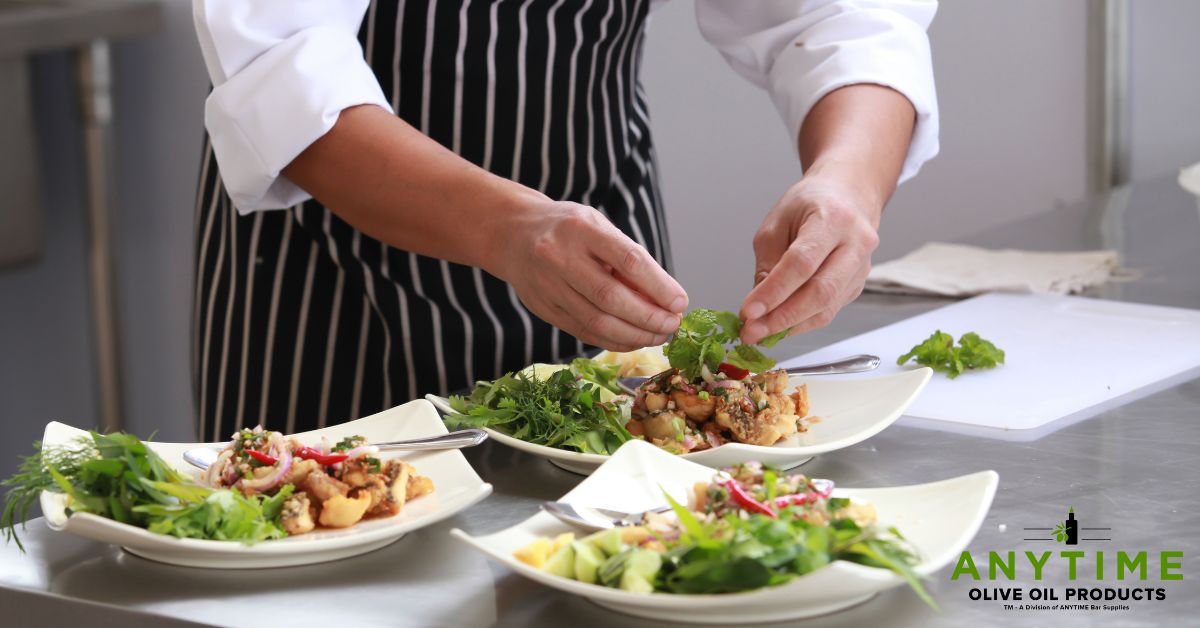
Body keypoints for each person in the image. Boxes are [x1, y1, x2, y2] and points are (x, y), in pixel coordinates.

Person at [190, 0, 939, 440]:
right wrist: (506, 230)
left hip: (605, 233)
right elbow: (281, 63)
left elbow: (840, 15)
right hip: (337, 272)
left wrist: (847, 181)